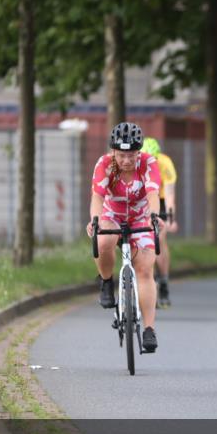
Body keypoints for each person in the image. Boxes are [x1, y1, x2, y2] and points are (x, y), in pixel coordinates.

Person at [87, 122, 162, 352]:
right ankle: (107, 282)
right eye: (121, 155)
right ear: (113, 152)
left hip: (140, 217)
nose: (127, 161)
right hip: (112, 214)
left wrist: (154, 217)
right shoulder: (104, 164)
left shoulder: (149, 163)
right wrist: (96, 220)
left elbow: (152, 194)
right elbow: (98, 197)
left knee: (146, 269)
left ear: (138, 152)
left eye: (131, 155)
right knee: (103, 241)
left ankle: (149, 329)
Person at [141, 138, 178, 308]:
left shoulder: (165, 163)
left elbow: (170, 195)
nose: (151, 163)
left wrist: (170, 218)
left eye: (154, 159)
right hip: (143, 199)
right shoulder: (136, 164)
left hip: (161, 199)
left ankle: (163, 282)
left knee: (159, 239)